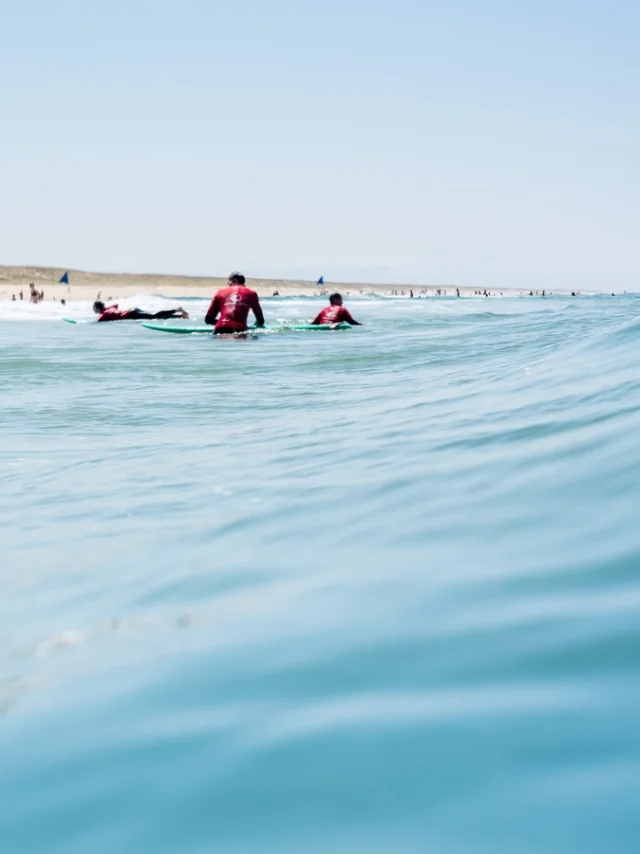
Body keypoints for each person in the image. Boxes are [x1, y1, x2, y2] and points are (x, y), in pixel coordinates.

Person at [93, 301, 189, 322]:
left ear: (97, 309)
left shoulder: (103, 314)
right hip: (133, 310)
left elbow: (98, 321)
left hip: (131, 314)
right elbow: (116, 305)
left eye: (94, 308)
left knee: (153, 317)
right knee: (154, 318)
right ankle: (180, 316)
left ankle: (177, 310)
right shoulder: (108, 308)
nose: (93, 310)